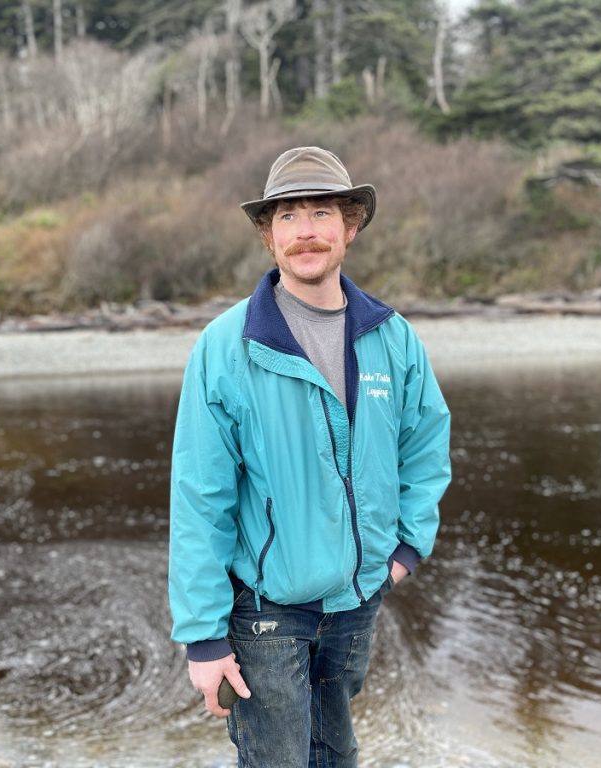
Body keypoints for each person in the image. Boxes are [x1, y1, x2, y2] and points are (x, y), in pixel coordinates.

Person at [168, 146, 451, 767]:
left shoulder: (391, 336)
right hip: (267, 611)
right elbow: (199, 496)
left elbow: (425, 446)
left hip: (356, 602)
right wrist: (204, 635)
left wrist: (402, 549)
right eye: (288, 217)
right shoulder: (225, 347)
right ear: (268, 237)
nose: (306, 232)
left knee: (336, 754)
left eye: (320, 213)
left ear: (350, 227)